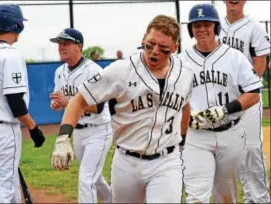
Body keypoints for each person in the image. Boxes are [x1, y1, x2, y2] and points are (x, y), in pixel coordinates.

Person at [51, 15, 194, 203]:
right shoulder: (121, 70)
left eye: (164, 49)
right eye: (150, 44)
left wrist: (182, 141)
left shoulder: (185, 73)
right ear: (143, 38)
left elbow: (185, 107)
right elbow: (79, 100)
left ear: (175, 48)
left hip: (166, 161)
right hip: (127, 161)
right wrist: (63, 138)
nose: (154, 52)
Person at [177, 3, 263, 203]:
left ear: (215, 27)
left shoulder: (235, 57)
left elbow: (254, 93)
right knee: (196, 197)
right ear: (191, 30)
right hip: (197, 136)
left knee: (226, 197)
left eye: (207, 24)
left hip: (230, 134)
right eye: (197, 25)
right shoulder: (181, 61)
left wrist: (224, 110)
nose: (202, 29)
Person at [49, 28, 112, 203]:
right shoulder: (59, 72)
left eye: (66, 43)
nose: (61, 47)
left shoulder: (93, 70)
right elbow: (59, 99)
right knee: (95, 178)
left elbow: (97, 107)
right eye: (59, 43)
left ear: (79, 46)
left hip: (98, 131)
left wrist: (67, 102)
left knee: (86, 179)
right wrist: (56, 103)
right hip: (78, 131)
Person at [0, 4, 45, 203]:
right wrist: (33, 127)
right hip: (4, 129)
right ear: (16, 24)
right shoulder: (10, 54)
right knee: (3, 187)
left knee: (10, 182)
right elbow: (15, 102)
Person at [219, 1, 271, 203]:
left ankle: (260, 199)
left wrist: (247, 89)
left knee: (251, 148)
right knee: (233, 152)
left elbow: (260, 64)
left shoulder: (254, 28)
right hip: (224, 100)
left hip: (248, 98)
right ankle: (249, 197)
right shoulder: (216, 27)